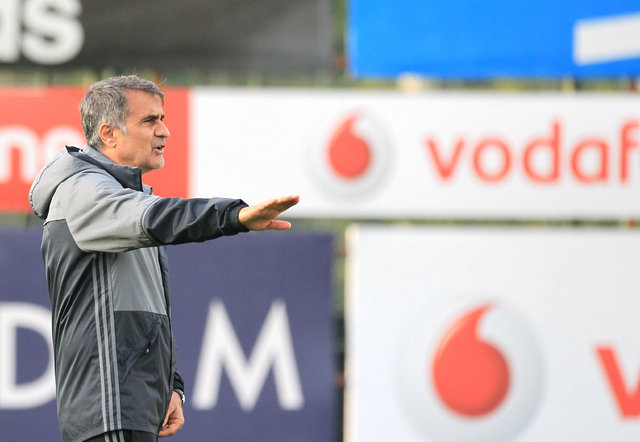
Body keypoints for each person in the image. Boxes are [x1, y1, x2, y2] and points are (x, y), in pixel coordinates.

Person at [29, 75, 299, 442]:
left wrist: (169, 385)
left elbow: (143, 311)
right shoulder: (83, 189)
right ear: (108, 133)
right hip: (109, 406)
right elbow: (162, 216)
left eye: (163, 118)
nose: (165, 131)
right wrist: (233, 216)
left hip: (130, 405)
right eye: (150, 120)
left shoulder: (125, 197)